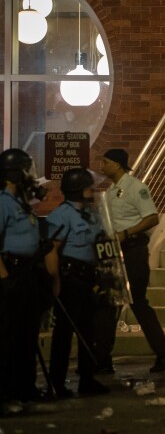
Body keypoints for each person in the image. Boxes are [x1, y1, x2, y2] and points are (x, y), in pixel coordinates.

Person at [100, 148, 165, 373]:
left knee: (137, 301)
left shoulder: (136, 188)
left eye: (105, 162)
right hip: (114, 251)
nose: (102, 166)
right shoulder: (110, 192)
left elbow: (152, 217)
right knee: (111, 304)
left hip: (133, 249)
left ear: (117, 164)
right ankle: (102, 358)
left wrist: (127, 232)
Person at [47, 168, 109, 398]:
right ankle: (57, 382)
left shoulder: (92, 214)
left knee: (88, 331)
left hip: (90, 277)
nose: (92, 190)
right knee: (64, 332)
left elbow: (103, 241)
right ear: (78, 190)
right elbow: (52, 249)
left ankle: (87, 378)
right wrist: (55, 282)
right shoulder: (61, 215)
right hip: (70, 278)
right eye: (88, 186)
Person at [0, 148, 54, 405]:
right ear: (14, 173)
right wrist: (5, 277)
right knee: (8, 336)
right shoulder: (2, 202)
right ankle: (7, 391)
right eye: (26, 169)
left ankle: (25, 387)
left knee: (27, 334)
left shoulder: (21, 202)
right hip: (12, 274)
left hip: (28, 273)